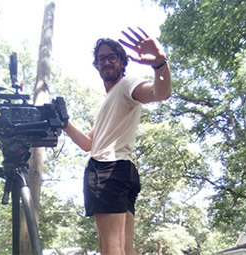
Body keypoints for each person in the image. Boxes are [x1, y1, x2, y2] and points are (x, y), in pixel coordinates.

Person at [64, 27, 171, 255]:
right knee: (124, 248)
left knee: (109, 248)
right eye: (101, 58)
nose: (106, 62)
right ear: (96, 65)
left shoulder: (127, 85)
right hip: (122, 169)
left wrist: (160, 65)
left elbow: (159, 93)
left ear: (123, 62)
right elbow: (87, 143)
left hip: (107, 169)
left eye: (112, 57)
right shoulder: (109, 101)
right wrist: (64, 122)